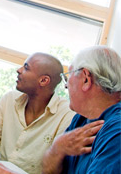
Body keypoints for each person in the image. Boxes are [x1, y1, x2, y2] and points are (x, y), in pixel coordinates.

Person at [42, 46, 121, 174]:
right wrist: (57, 149)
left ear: (85, 79)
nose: (66, 85)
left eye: (67, 77)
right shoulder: (82, 118)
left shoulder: (116, 132)